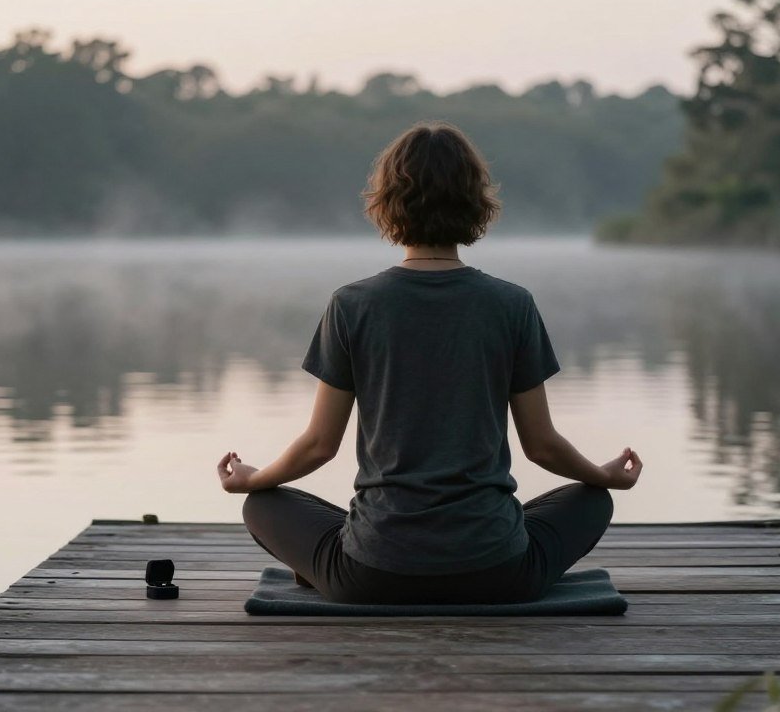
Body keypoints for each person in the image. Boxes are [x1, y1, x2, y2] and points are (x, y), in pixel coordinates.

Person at [216, 121, 643, 604]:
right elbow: (542, 446)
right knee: (591, 498)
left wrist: (254, 479)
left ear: (387, 203)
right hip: (498, 573)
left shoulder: (352, 305)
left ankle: (323, 566)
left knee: (263, 504)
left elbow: (318, 446)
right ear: (475, 203)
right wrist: (604, 476)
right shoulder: (512, 304)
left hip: (372, 574)